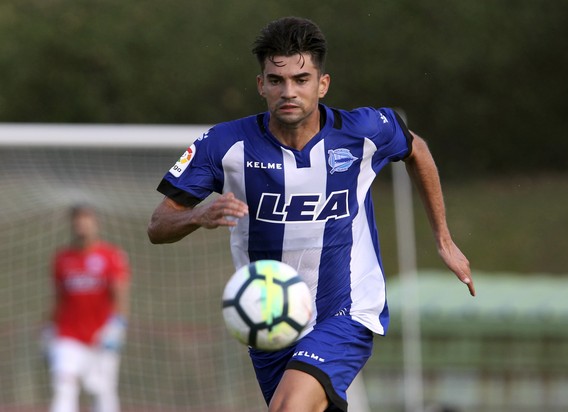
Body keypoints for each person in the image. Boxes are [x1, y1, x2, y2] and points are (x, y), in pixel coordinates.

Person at [148, 16, 475, 412]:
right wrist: (198, 216)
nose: (289, 91)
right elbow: (158, 225)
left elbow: (415, 148)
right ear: (261, 86)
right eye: (276, 80)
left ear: (322, 84)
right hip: (268, 320)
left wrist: (443, 238)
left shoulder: (362, 131)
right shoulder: (224, 144)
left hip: (346, 309)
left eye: (301, 80)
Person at [44, 204, 131, 412]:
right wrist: (49, 328)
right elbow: (57, 299)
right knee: (64, 389)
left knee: (100, 392)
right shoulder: (62, 258)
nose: (81, 226)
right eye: (77, 221)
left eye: (86, 220)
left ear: (95, 224)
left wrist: (117, 326)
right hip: (68, 335)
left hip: (101, 336)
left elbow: (120, 295)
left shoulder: (111, 256)